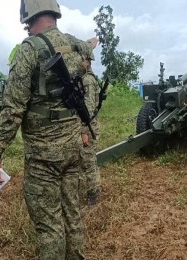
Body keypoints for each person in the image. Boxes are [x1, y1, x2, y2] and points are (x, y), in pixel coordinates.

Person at [0, 0, 98, 259]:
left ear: (28, 18)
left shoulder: (29, 50)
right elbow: (89, 53)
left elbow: (13, 108)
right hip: (72, 149)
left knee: (50, 227)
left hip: (42, 157)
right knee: (73, 216)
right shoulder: (76, 45)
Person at [80, 49, 101, 207]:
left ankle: (93, 196)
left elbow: (88, 110)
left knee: (88, 162)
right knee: (88, 161)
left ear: (87, 61)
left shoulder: (87, 80)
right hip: (89, 127)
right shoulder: (87, 78)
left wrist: (84, 132)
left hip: (89, 128)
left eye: (81, 60)